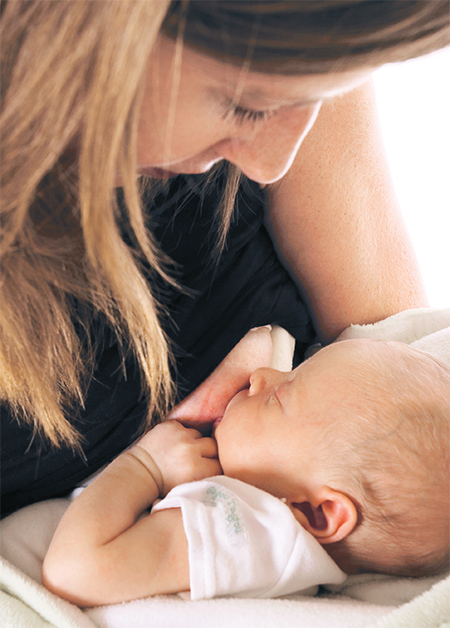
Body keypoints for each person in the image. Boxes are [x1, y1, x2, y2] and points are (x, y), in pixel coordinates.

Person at [2, 2, 450, 517]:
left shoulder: (303, 27)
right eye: (247, 106)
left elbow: (400, 375)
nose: (271, 165)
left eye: (320, 97)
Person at [41, 337, 450, 606]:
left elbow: (74, 572)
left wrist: (145, 466)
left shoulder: (251, 534)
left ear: (318, 514)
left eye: (280, 397)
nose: (261, 376)